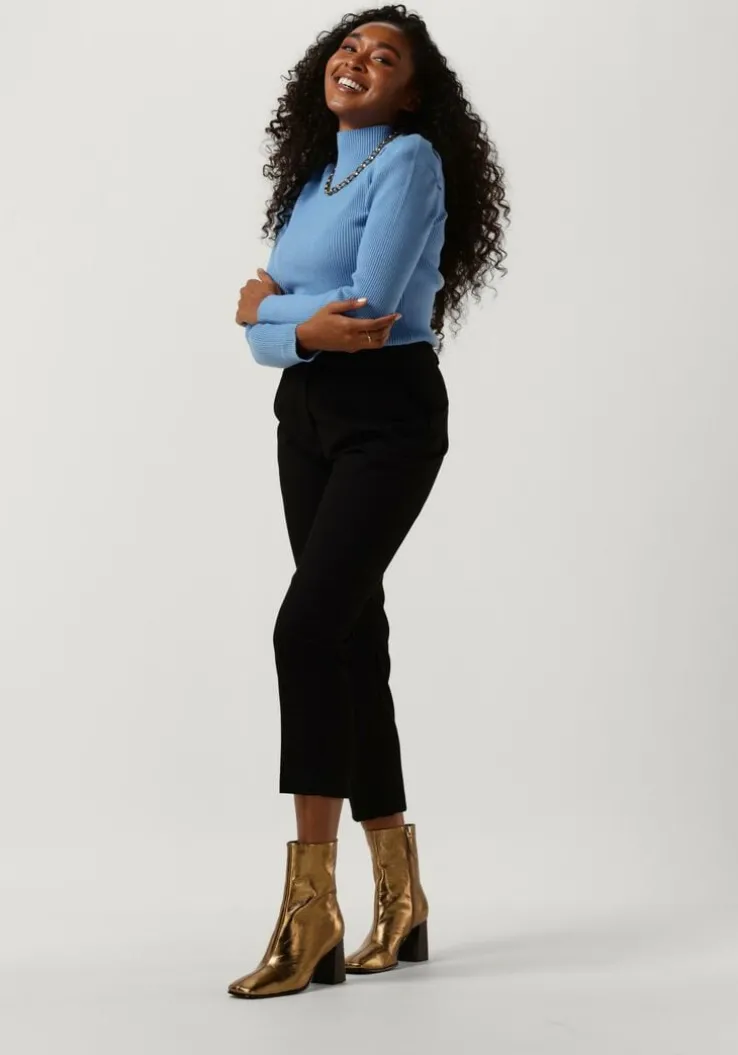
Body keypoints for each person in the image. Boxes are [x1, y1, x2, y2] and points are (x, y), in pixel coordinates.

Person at [229, 4, 509, 998]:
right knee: (350, 637)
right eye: (349, 46)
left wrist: (271, 311)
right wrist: (284, 325)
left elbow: (372, 313)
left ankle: (311, 909)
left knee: (304, 630)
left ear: (412, 93)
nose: (357, 61)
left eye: (384, 57)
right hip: (304, 415)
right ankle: (403, 893)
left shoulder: (410, 161)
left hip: (389, 415)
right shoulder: (315, 176)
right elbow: (270, 338)